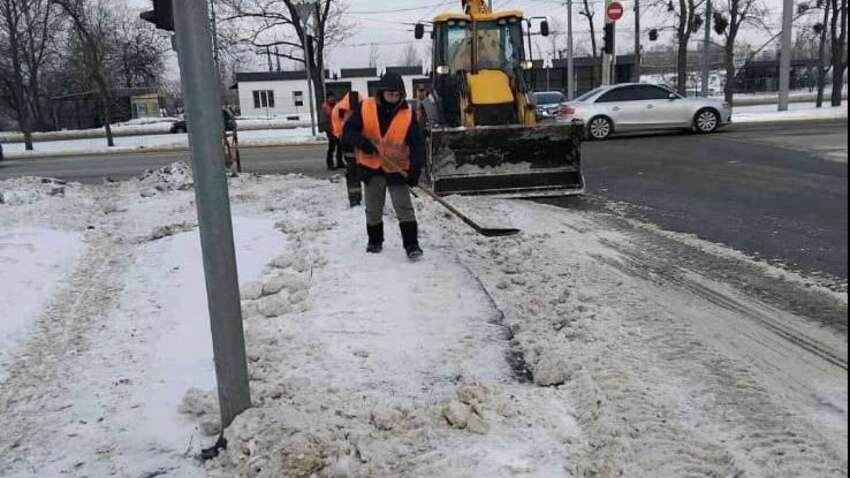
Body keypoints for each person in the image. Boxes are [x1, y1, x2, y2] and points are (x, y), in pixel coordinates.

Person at [342, 72, 426, 260]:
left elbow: (417, 145)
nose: (393, 98)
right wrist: (363, 143)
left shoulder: (407, 114)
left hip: (397, 169)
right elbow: (347, 132)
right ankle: (375, 241)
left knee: (404, 208)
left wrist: (415, 171)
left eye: (397, 95)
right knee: (373, 208)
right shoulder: (366, 107)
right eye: (390, 94)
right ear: (381, 92)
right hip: (372, 168)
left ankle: (412, 245)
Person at [331, 91, 363, 207]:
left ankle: (362, 198)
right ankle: (355, 198)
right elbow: (338, 129)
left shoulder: (339, 108)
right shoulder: (339, 109)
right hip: (350, 144)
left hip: (361, 144)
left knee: (361, 172)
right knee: (353, 171)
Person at [321, 92, 345, 170]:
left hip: (338, 129)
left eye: (333, 97)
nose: (332, 99)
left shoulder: (338, 105)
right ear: (327, 99)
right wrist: (328, 129)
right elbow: (324, 119)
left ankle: (340, 162)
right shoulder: (325, 107)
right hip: (330, 130)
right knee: (332, 147)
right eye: (330, 97)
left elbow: (341, 116)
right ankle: (330, 164)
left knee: (340, 147)